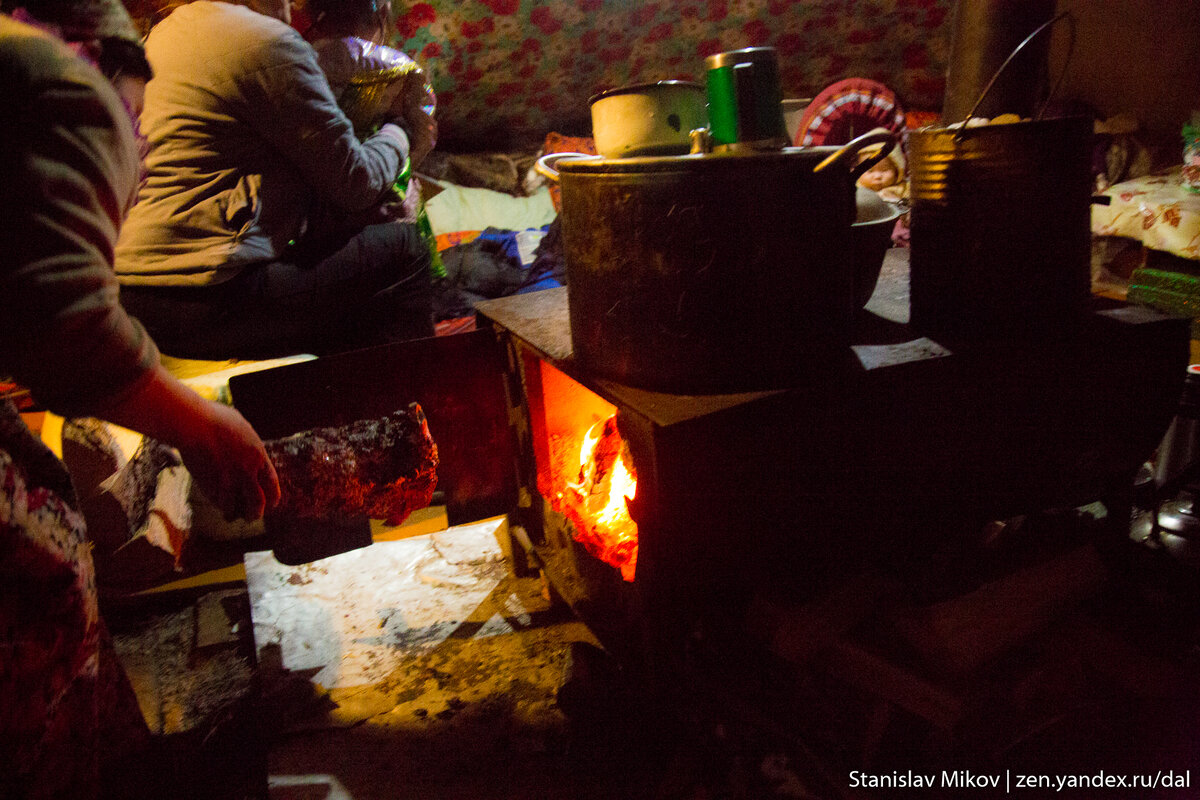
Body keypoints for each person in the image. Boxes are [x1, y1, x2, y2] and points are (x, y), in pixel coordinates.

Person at [0, 0, 281, 795]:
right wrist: (195, 419)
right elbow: (59, 314)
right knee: (37, 603)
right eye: (135, 121)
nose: (143, 154)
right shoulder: (56, 79)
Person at [112, 0, 438, 359]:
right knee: (405, 250)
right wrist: (400, 130)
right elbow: (356, 184)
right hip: (202, 296)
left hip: (131, 294)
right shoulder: (267, 43)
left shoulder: (169, 31)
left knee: (341, 279)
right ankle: (426, 399)